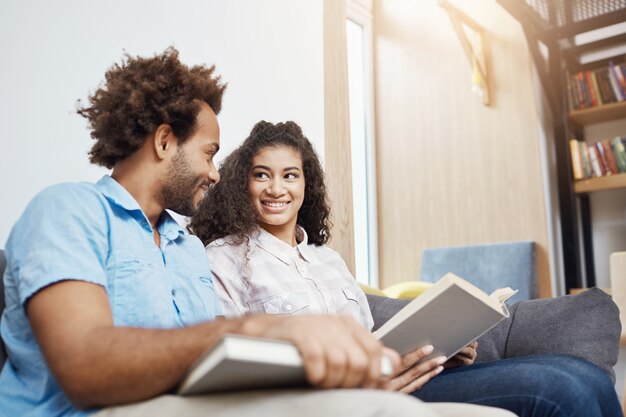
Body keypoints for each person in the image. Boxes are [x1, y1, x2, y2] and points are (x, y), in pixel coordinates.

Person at [0, 47, 513, 417]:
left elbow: (208, 375)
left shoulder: (185, 250)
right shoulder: (67, 211)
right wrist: (255, 329)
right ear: (163, 142)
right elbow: (86, 368)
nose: (216, 173)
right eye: (208, 153)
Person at [189, 120, 623, 417]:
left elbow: (371, 340)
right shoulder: (222, 258)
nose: (277, 188)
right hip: (343, 401)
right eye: (262, 175)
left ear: (307, 184)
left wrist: (438, 352)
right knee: (564, 389)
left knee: (581, 372)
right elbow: (233, 367)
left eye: (290, 175)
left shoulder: (328, 261)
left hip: (399, 382)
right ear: (241, 183)